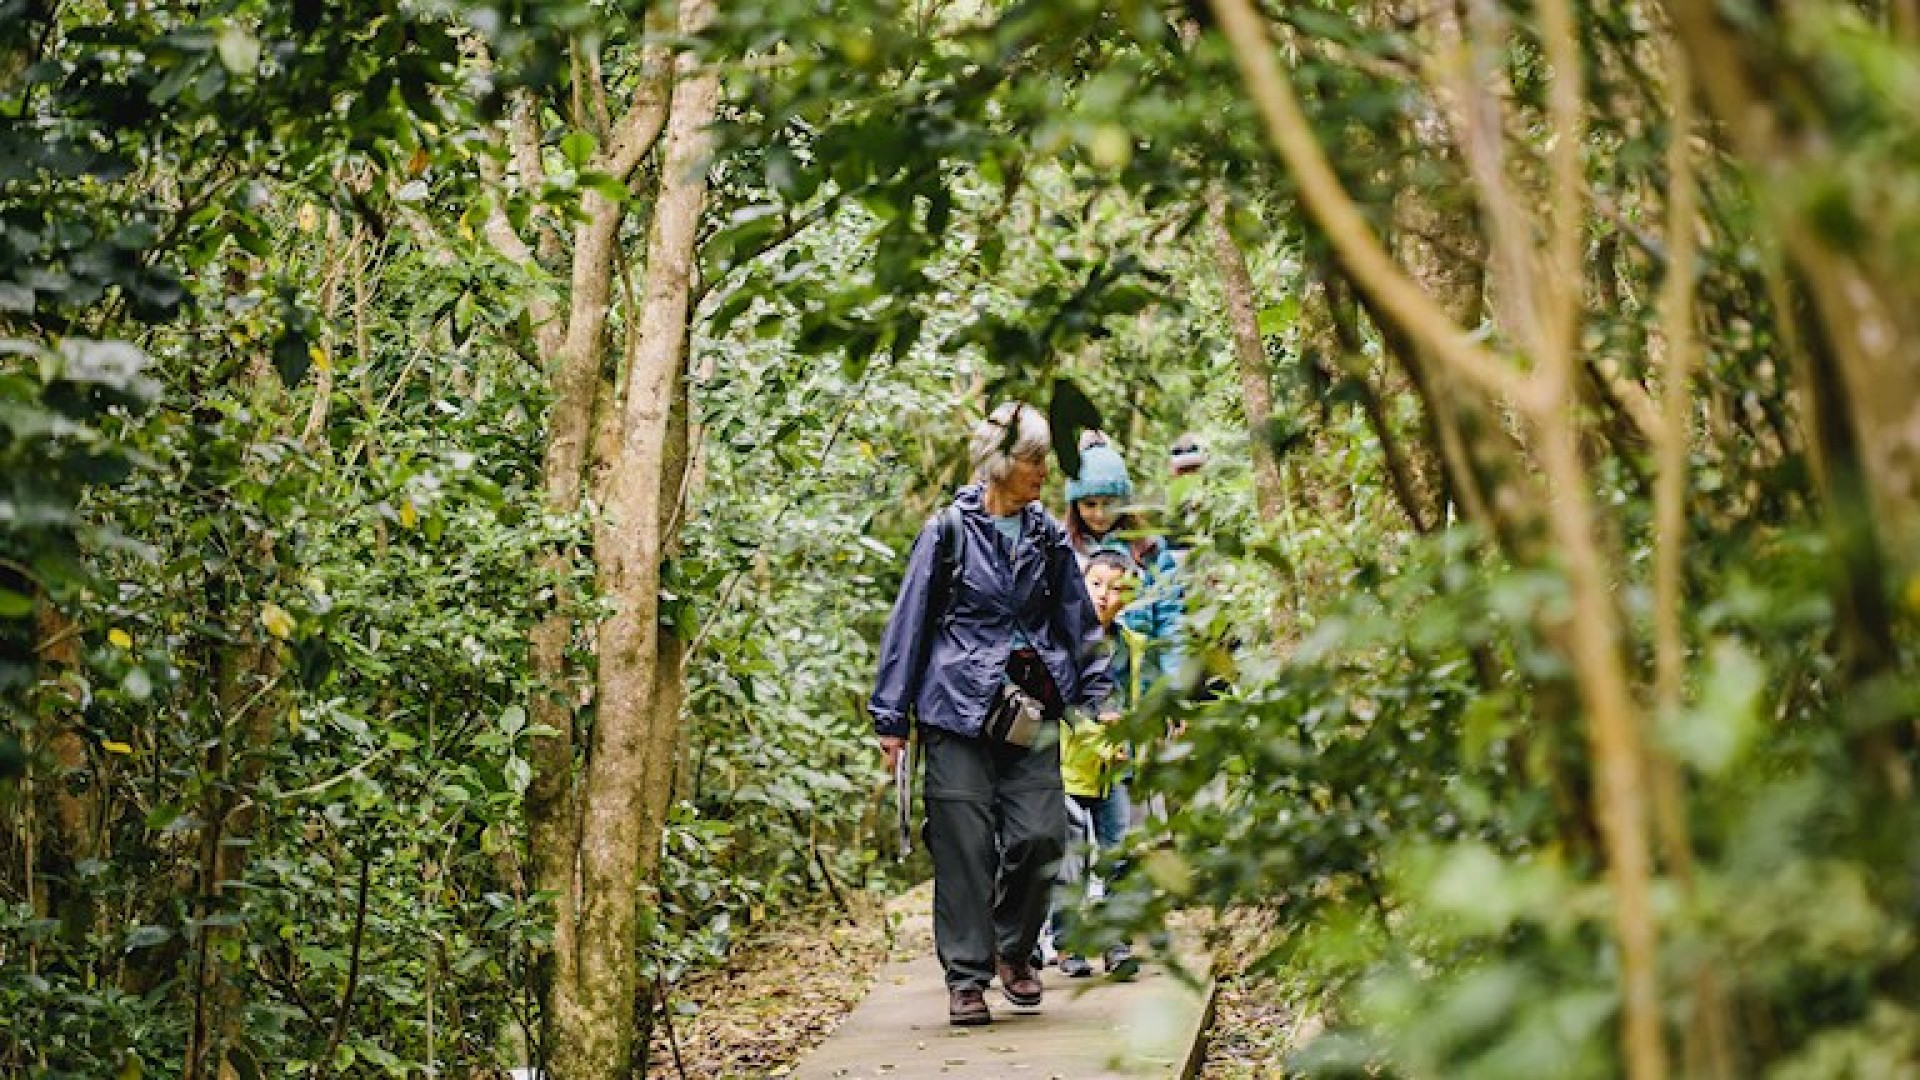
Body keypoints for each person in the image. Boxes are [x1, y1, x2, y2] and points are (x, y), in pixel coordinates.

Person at [870, 402, 1116, 1027]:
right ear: (1003, 465)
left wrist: (1097, 695)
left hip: (1030, 705)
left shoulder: (1047, 536)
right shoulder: (948, 530)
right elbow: (910, 624)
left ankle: (1014, 948)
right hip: (955, 708)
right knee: (963, 846)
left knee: (1041, 835)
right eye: (1035, 461)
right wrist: (891, 718)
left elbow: (1076, 620)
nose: (1043, 473)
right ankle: (967, 975)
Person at [1054, 548, 1144, 979]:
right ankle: (1068, 945)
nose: (1106, 596)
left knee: (1118, 853)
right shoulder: (1062, 642)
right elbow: (1067, 707)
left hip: (1117, 769)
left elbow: (1133, 700)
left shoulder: (1129, 644)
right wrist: (1109, 740)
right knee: (1071, 858)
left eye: (1117, 588)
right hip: (1071, 766)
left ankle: (1116, 941)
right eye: (1096, 585)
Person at [1064, 433, 1184, 695]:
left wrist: (1174, 690)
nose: (1099, 514)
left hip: (1141, 686)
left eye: (1109, 504)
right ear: (1075, 505)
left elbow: (1170, 623)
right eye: (1089, 504)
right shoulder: (1062, 550)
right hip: (1081, 690)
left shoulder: (1150, 549)